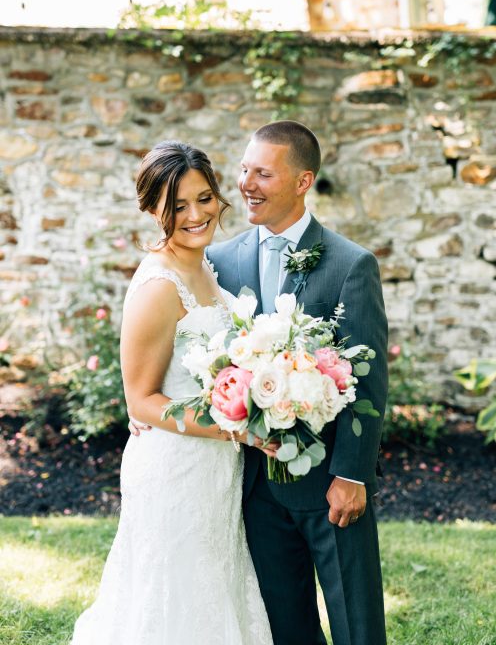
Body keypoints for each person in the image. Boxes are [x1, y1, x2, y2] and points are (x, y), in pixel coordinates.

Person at [71, 141, 273, 645]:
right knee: (171, 600)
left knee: (213, 589)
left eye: (204, 198)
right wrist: (239, 429)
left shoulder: (205, 266)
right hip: (174, 468)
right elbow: (140, 401)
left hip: (214, 470)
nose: (196, 214)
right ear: (152, 209)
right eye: (177, 206)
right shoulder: (159, 286)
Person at [206, 121, 388, 645]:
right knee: (284, 627)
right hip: (255, 487)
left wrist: (352, 476)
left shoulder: (350, 265)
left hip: (330, 484)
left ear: (303, 180)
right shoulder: (221, 260)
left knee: (357, 625)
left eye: (263, 173)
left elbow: (368, 378)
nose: (246, 183)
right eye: (244, 169)